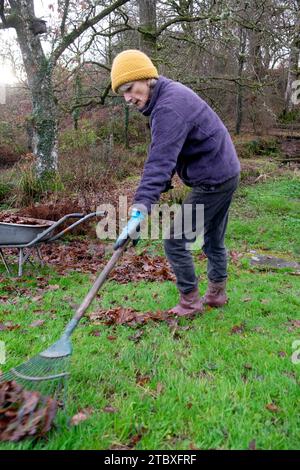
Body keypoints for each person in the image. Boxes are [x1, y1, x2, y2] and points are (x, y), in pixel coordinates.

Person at [111, 49, 240, 316]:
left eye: (130, 88)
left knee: (175, 240)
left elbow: (159, 161)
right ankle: (216, 294)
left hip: (213, 180)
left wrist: (139, 210)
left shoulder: (169, 107)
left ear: (146, 79)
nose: (127, 98)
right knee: (213, 240)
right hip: (226, 172)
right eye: (122, 92)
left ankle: (190, 303)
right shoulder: (167, 94)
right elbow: (173, 153)